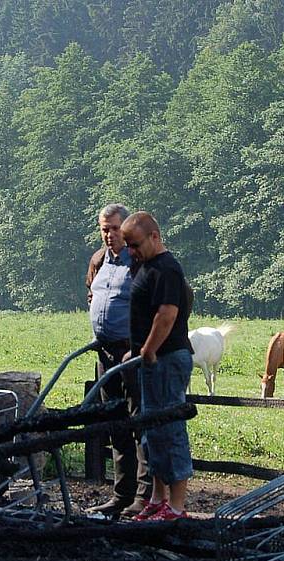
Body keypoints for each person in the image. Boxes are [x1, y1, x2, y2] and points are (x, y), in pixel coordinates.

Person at [121, 211, 193, 521]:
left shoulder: (167, 269)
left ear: (154, 236)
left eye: (135, 245)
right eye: (128, 247)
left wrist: (148, 350)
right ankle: (157, 497)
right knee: (152, 431)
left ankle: (176, 506)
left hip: (166, 359)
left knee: (170, 428)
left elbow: (166, 315)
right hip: (149, 359)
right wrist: (134, 351)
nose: (131, 252)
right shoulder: (146, 266)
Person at [84, 203, 151, 518]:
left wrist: (140, 345)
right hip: (104, 352)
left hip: (132, 353)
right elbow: (92, 293)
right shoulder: (99, 261)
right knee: (115, 423)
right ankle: (120, 494)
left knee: (140, 421)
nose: (108, 235)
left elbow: (163, 304)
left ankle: (145, 495)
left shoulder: (140, 263)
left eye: (113, 229)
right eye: (104, 229)